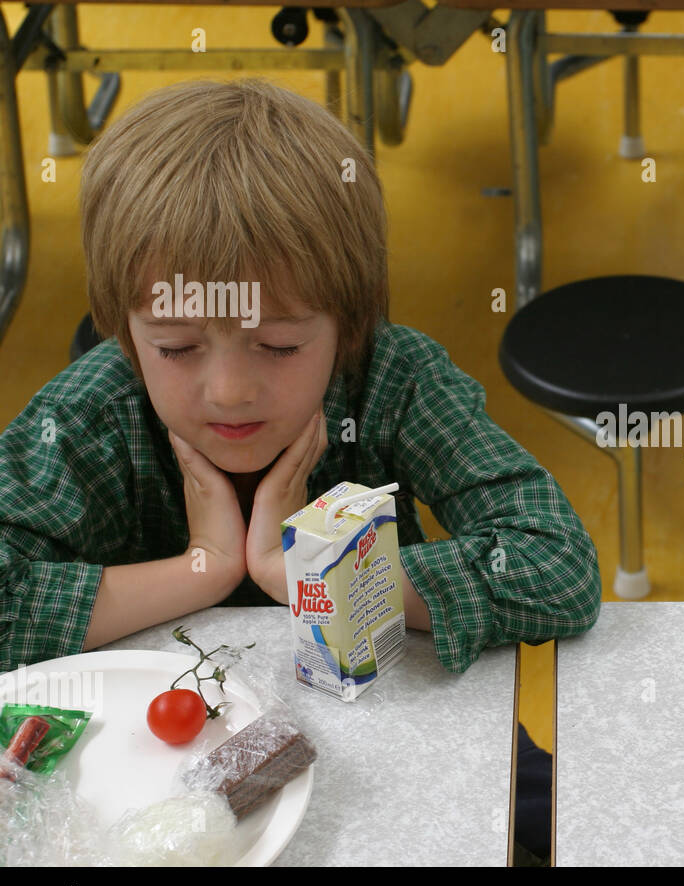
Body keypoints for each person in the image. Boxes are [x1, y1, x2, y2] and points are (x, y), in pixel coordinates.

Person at [0, 78, 602, 675]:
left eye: (280, 345)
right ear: (123, 330)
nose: (231, 391)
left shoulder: (393, 377)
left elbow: (556, 565)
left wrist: (306, 572)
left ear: (351, 323)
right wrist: (203, 567)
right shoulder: (91, 412)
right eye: (178, 347)